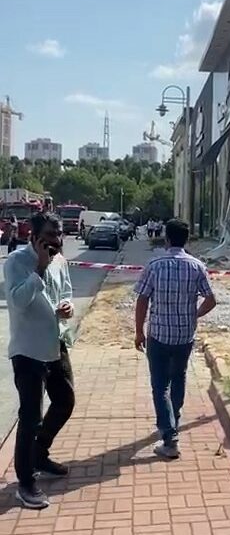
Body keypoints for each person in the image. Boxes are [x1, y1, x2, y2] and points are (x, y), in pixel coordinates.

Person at [5, 212, 75, 510]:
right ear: (32, 237)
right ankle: (26, 483)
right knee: (31, 416)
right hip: (28, 350)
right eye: (49, 236)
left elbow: (66, 291)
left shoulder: (60, 260)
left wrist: (68, 306)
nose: (56, 242)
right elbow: (18, 301)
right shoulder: (16, 262)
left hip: (55, 345)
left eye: (58, 236)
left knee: (65, 401)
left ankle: (39, 453)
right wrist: (38, 269)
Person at [134, 219, 216, 459]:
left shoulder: (154, 265)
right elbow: (211, 299)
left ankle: (170, 437)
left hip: (158, 334)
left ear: (166, 238)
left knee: (160, 385)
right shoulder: (197, 266)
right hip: (184, 335)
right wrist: (194, 314)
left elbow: (142, 300)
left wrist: (139, 331)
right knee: (178, 378)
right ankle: (173, 421)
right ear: (186, 239)